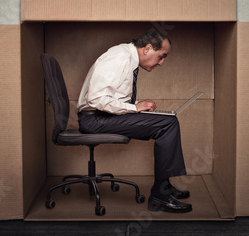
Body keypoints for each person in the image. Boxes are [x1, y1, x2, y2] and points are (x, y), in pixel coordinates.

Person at [77, 29, 192, 213]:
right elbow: (96, 99)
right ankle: (160, 196)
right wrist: (134, 108)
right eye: (161, 56)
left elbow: (111, 97)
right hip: (94, 119)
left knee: (168, 120)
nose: (161, 63)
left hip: (102, 116)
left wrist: (138, 105)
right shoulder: (119, 57)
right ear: (147, 48)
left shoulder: (127, 58)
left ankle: (164, 187)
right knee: (167, 124)